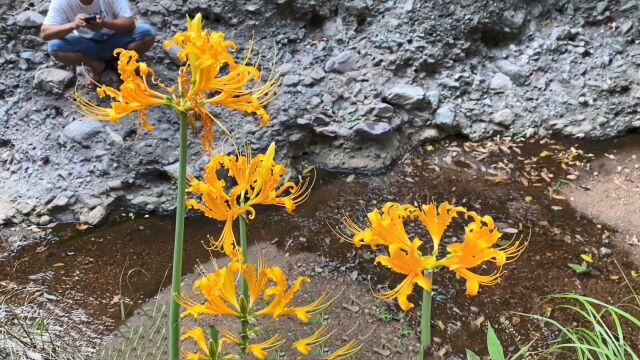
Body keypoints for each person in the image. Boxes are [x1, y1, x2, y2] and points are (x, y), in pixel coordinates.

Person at [40, 0, 156, 85]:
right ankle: (96, 65)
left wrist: (104, 23)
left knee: (147, 32)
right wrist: (73, 25)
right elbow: (45, 33)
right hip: (88, 45)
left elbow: (130, 24)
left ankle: (124, 63)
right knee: (55, 47)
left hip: (115, 39)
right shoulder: (62, 2)